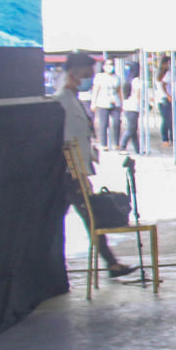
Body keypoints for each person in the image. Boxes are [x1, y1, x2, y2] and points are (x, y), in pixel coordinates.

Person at [55, 51, 133, 279]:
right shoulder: (62, 101)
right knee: (91, 218)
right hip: (70, 173)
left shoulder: (73, 100)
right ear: (76, 72)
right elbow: (65, 141)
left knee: (91, 218)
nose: (91, 77)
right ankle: (111, 264)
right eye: (88, 72)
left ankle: (111, 264)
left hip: (78, 171)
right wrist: (76, 171)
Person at [90, 61, 122, 149]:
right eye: (108, 64)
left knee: (116, 122)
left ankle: (116, 143)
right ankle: (104, 144)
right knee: (103, 124)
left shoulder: (117, 78)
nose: (110, 66)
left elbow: (119, 91)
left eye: (111, 64)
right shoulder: (99, 77)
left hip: (115, 102)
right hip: (102, 102)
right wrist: (93, 102)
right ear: (104, 66)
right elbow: (96, 90)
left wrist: (121, 103)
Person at [120, 62, 144, 153]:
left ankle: (137, 148)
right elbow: (138, 95)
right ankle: (123, 146)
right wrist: (141, 106)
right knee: (131, 129)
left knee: (133, 130)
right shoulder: (137, 81)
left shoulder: (128, 80)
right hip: (134, 107)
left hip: (128, 107)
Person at [156, 56, 173, 146]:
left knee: (171, 119)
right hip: (163, 98)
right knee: (166, 119)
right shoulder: (160, 73)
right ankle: (165, 139)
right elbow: (160, 84)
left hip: (169, 97)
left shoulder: (169, 73)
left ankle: (172, 138)